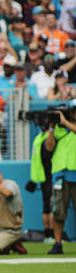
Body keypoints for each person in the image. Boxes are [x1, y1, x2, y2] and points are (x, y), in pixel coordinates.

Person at [44, 103, 76, 254]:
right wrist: (51, 127)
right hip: (61, 175)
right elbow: (49, 147)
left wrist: (66, 123)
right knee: (59, 212)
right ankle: (57, 244)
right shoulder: (59, 129)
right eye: (73, 111)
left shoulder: (68, 126)